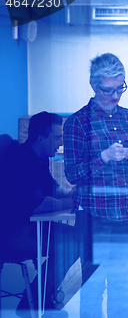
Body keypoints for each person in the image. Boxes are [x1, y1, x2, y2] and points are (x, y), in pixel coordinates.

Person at [63, 53, 128, 317]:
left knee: (125, 284)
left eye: (120, 88)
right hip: (95, 216)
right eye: (108, 90)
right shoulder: (78, 122)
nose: (115, 96)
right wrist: (103, 158)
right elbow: (73, 174)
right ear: (93, 86)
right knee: (94, 285)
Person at [0, 112, 77, 317]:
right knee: (69, 245)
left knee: (77, 239)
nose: (61, 143)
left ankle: (38, 298)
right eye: (58, 137)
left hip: (27, 227)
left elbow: (53, 191)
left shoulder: (40, 159)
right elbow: (41, 204)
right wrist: (71, 201)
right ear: (41, 138)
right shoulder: (20, 161)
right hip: (10, 233)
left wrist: (77, 192)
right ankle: (34, 302)